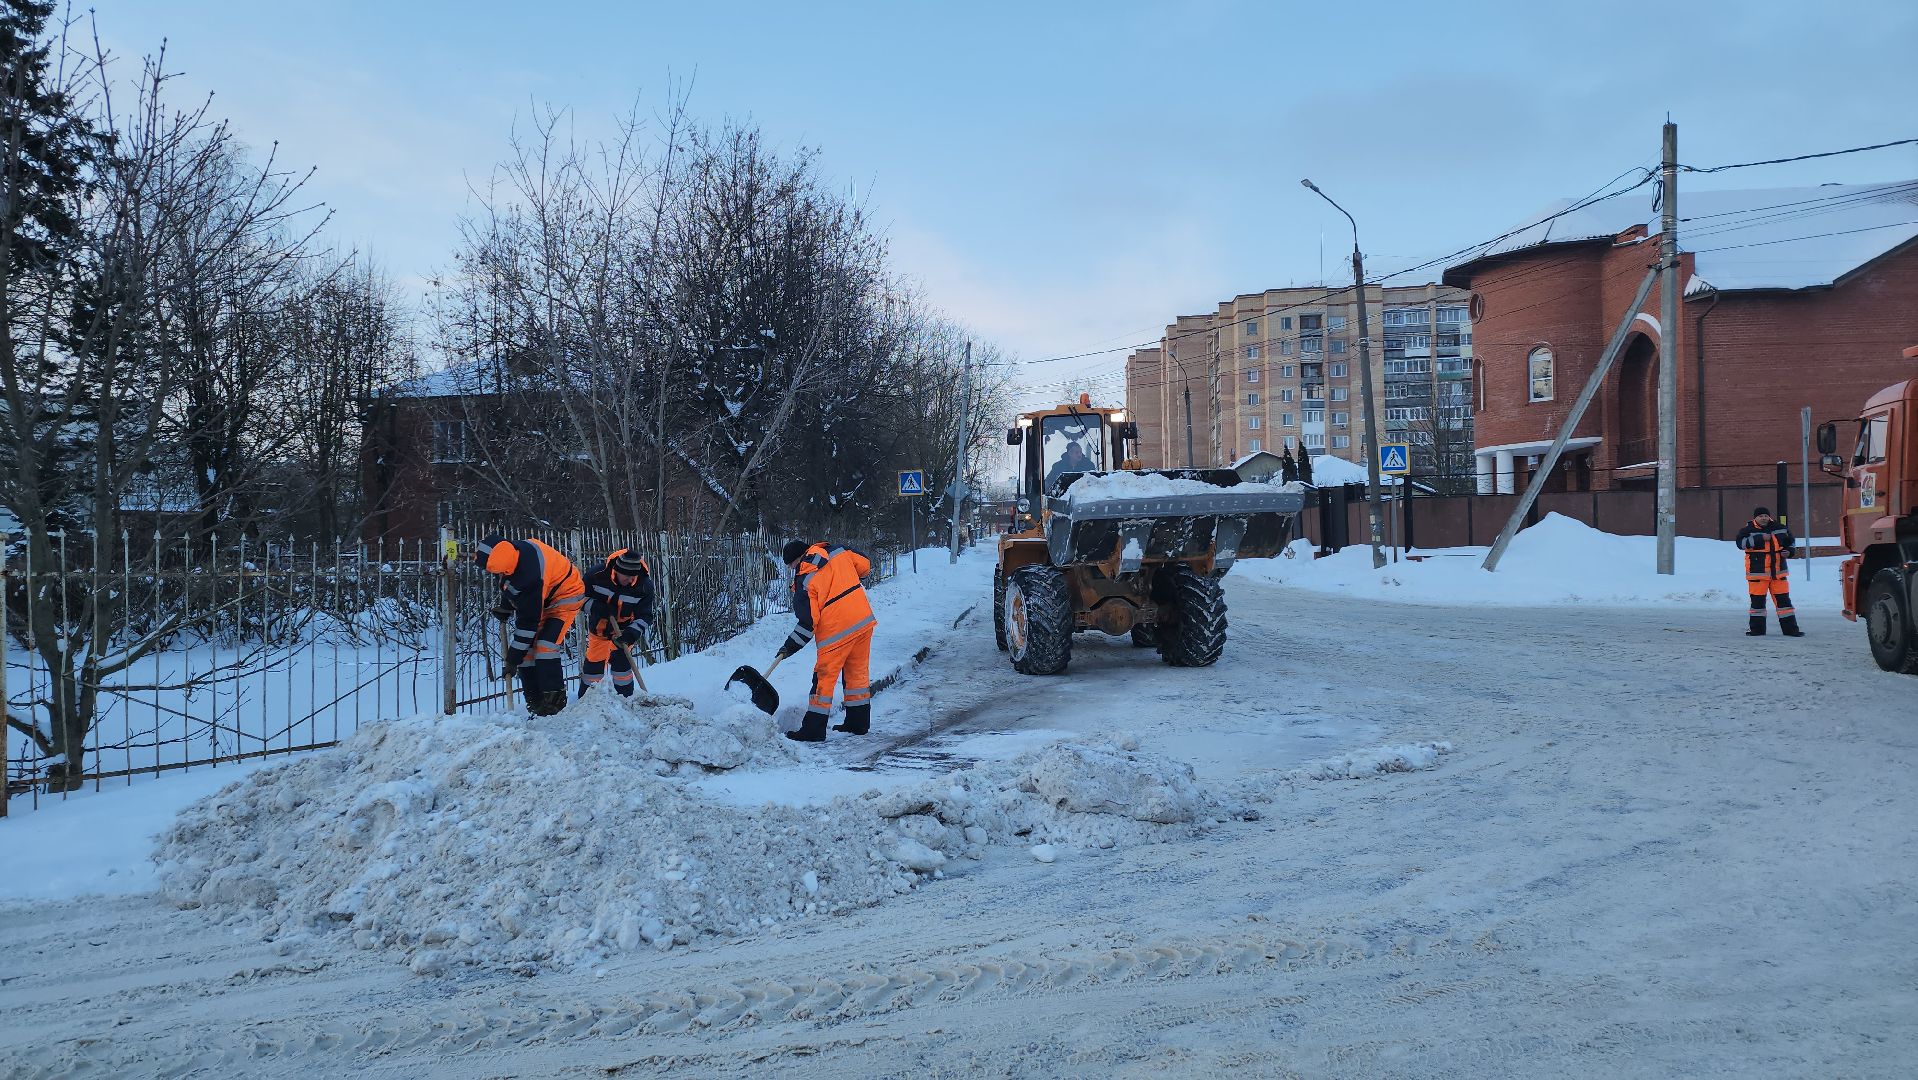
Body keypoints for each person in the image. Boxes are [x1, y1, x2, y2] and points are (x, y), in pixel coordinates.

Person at [776, 539, 877, 742]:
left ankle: (813, 730)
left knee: (823, 679)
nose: (792, 570)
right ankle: (858, 723)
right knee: (857, 674)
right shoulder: (837, 551)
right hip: (862, 621)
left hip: (835, 633)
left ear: (796, 561)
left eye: (791, 566)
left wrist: (789, 647)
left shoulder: (804, 578)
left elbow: (808, 622)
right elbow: (865, 566)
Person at [474, 534, 586, 715]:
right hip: (545, 594)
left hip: (566, 595)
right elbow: (511, 585)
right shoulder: (512, 551)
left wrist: (512, 659)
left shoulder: (531, 577)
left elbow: (527, 625)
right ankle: (535, 701)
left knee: (545, 647)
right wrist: (506, 607)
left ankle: (553, 703)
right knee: (527, 653)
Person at [578, 547, 654, 698]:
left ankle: (626, 701)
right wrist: (596, 607)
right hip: (599, 630)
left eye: (634, 577)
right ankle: (586, 703)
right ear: (616, 570)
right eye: (626, 576)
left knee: (622, 669)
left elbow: (645, 616)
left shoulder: (644, 586)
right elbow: (576, 598)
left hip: (624, 632)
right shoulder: (596, 576)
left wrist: (632, 633)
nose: (630, 580)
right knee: (593, 669)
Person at [1736, 507, 1802, 637]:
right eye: (1761, 516)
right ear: (1755, 518)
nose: (1764, 518)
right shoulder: (1747, 530)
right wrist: (1760, 538)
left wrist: (1790, 551)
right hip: (1757, 575)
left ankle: (1791, 631)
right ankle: (1757, 631)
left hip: (1778, 574)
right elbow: (1740, 544)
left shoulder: (1780, 528)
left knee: (1785, 604)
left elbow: (1791, 542)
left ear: (1769, 517)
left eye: (1766, 516)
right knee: (1757, 605)